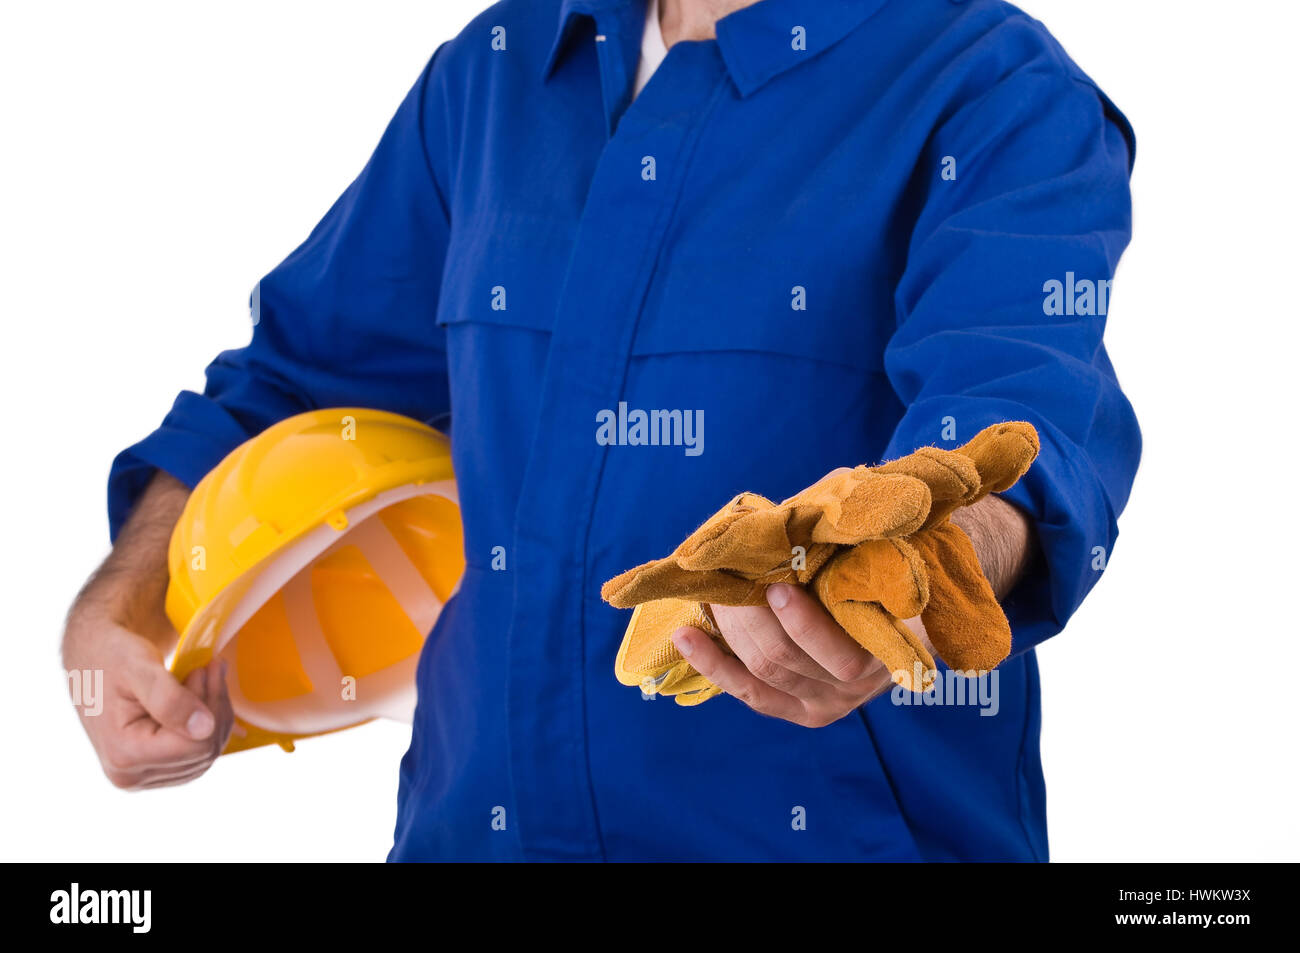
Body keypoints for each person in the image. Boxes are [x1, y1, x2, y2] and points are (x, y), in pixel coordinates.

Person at [63, 0, 1141, 861]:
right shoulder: (493, 72)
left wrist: (924, 563)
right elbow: (292, 380)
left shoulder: (988, 84)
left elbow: (1013, 430)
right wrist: (126, 600)